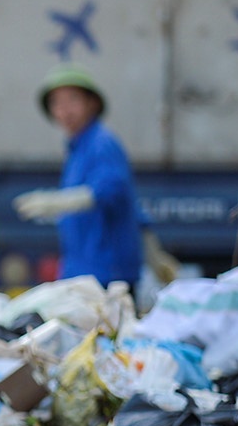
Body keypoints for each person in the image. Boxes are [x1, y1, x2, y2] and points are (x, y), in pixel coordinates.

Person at [14, 66, 144, 289]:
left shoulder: (101, 143)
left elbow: (113, 188)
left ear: (91, 103)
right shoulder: (77, 148)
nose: (65, 110)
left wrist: (61, 202)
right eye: (57, 103)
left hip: (106, 274)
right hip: (82, 270)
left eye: (72, 100)